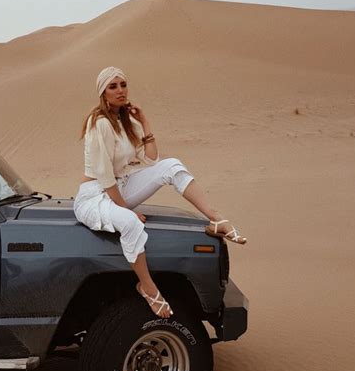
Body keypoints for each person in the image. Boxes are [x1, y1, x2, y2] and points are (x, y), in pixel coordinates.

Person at [74, 67, 246, 319]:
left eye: (123, 84)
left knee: (171, 165)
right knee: (131, 224)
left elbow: (152, 159)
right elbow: (104, 175)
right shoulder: (98, 122)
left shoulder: (126, 121)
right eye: (113, 86)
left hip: (119, 187)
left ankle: (217, 218)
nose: (120, 90)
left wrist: (144, 122)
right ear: (103, 93)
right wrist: (125, 209)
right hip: (94, 196)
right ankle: (147, 286)